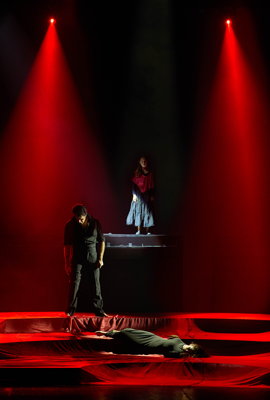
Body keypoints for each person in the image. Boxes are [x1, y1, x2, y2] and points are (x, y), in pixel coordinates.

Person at [64, 204, 108, 317]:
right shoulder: (70, 225)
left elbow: (102, 241)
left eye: (81, 219)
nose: (79, 221)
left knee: (95, 284)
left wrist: (100, 259)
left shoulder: (95, 223)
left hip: (92, 258)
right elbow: (67, 246)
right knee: (74, 284)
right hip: (77, 258)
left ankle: (99, 310)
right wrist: (67, 263)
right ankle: (70, 310)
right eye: (77, 218)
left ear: (86, 215)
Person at [95, 328, 208, 358]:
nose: (187, 349)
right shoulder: (179, 340)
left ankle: (106, 333)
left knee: (126, 334)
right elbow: (169, 339)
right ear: (192, 344)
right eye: (190, 348)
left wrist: (184, 354)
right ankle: (112, 333)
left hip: (148, 345)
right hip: (152, 337)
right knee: (129, 330)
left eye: (189, 351)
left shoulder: (178, 353)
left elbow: (166, 354)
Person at [126, 156, 155, 234]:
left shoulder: (150, 174)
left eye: (145, 161)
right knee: (138, 211)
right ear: (140, 162)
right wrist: (134, 194)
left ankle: (147, 230)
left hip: (147, 194)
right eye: (142, 161)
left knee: (147, 211)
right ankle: (138, 230)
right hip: (138, 194)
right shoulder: (137, 173)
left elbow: (151, 186)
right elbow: (134, 185)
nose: (144, 162)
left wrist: (152, 195)